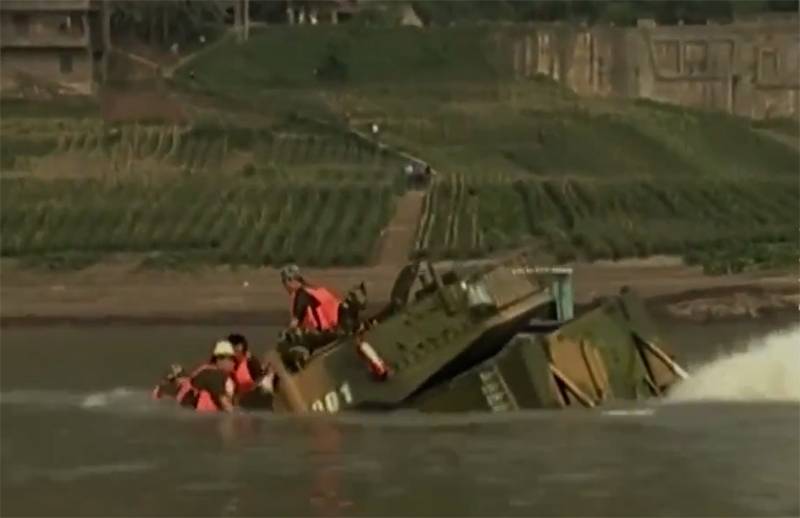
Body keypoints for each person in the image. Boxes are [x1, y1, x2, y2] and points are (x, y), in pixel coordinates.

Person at [176, 340, 238, 412]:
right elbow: (227, 406)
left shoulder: (207, 371)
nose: (234, 363)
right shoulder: (216, 375)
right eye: (232, 359)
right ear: (220, 359)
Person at [280, 264, 341, 333]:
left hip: (322, 333)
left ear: (290, 280)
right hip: (334, 327)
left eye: (284, 282)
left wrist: (285, 332)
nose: (285, 287)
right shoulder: (312, 290)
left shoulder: (301, 295)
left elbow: (294, 324)